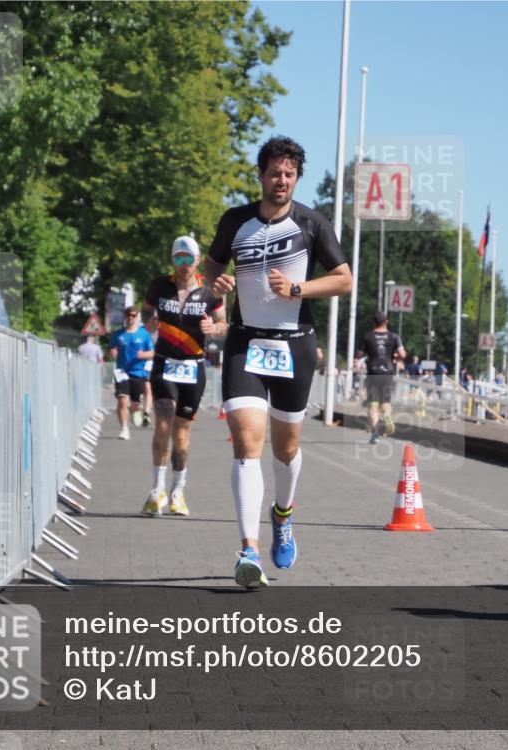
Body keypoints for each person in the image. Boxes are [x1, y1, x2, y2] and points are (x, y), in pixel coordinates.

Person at [202, 136, 352, 588]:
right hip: (246, 343)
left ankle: (282, 517)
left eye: (288, 174)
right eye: (273, 173)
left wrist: (299, 289)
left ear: (295, 178)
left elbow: (344, 281)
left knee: (285, 450)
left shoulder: (312, 223)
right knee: (247, 441)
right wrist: (219, 285)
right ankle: (248, 550)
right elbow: (210, 269)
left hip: (295, 345)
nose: (280, 180)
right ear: (261, 175)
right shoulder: (236, 221)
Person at [140, 236, 227, 517]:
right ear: (172, 260)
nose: (183, 264)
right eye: (178, 258)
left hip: (193, 365)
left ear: (197, 260)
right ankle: (157, 490)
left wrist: (214, 327)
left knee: (181, 433)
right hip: (164, 364)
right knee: (163, 426)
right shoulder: (159, 286)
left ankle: (178, 490)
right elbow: (145, 313)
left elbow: (224, 323)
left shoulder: (209, 291)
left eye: (188, 258)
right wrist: (149, 322)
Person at [108, 306, 154, 440]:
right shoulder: (118, 334)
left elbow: (152, 352)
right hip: (121, 370)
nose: (131, 318)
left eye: (133, 315)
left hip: (138, 372)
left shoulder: (144, 334)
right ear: (125, 316)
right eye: (128, 315)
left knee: (135, 403)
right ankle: (124, 428)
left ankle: (137, 411)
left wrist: (143, 354)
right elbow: (111, 351)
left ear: (137, 316)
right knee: (122, 400)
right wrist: (112, 353)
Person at [360, 311, 406, 444]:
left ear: (373, 322)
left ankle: (375, 432)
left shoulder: (368, 336)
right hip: (387, 372)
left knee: (372, 404)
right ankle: (386, 415)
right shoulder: (393, 336)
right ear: (386, 321)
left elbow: (361, 353)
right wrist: (395, 357)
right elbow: (402, 354)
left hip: (373, 371)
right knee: (385, 402)